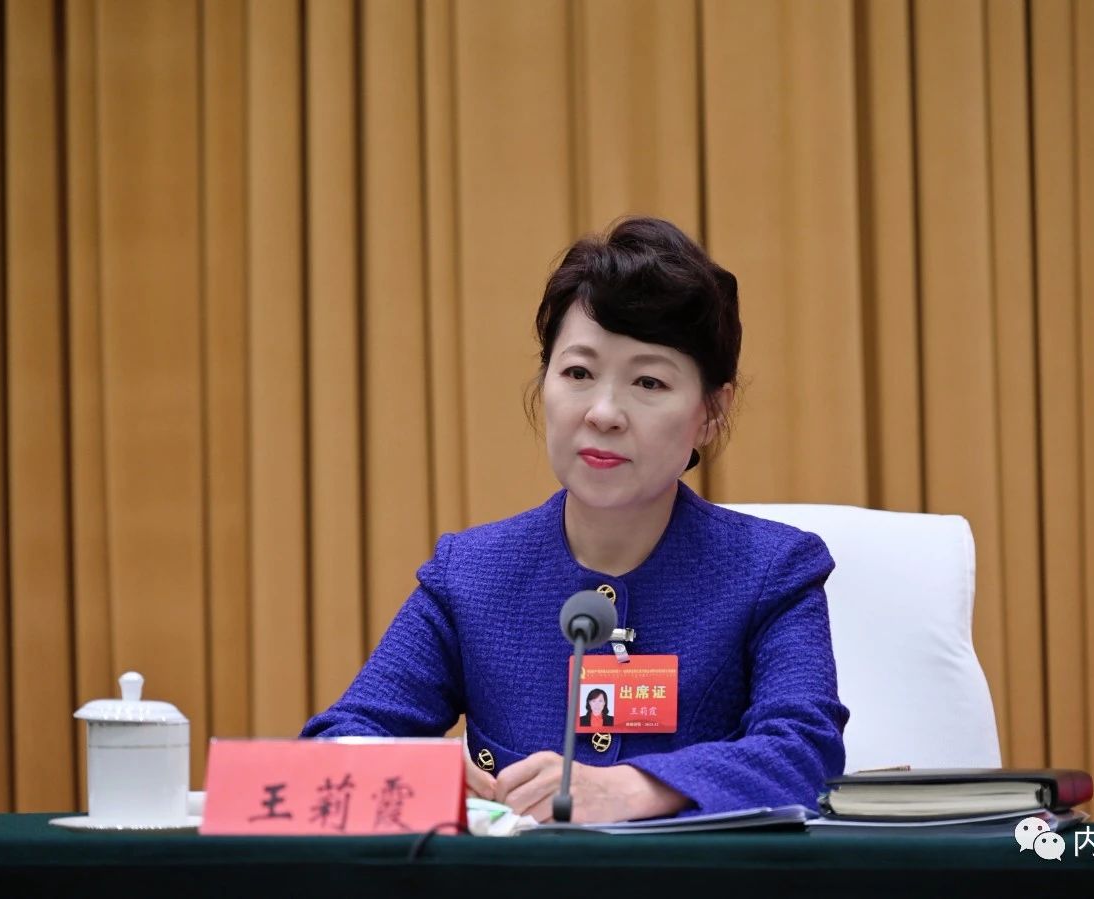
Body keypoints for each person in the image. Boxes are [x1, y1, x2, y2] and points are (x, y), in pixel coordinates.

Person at [301, 216, 849, 824]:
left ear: (711, 413)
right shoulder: (471, 575)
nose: (604, 413)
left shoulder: (771, 571)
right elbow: (339, 741)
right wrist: (416, 774)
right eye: (579, 373)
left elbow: (804, 752)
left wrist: (639, 788)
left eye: (649, 381)